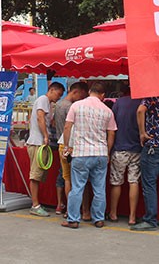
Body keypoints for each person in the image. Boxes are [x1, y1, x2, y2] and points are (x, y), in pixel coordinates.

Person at [61, 82, 117, 229]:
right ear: (103, 95)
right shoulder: (107, 111)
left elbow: (67, 126)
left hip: (81, 153)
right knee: (99, 188)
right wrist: (108, 151)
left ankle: (73, 219)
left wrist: (67, 146)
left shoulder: (76, 106)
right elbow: (111, 133)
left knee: (77, 188)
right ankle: (98, 219)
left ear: (90, 91)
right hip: (100, 153)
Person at [131, 96, 159, 231]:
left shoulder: (151, 97)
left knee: (149, 184)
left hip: (153, 146)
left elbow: (140, 111)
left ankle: (150, 219)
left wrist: (142, 133)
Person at [25, 81, 65, 217]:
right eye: (58, 94)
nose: (58, 98)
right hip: (37, 142)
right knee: (35, 175)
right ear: (52, 90)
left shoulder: (48, 103)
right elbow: (40, 117)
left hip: (40, 142)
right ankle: (35, 205)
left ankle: (37, 203)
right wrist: (46, 136)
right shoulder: (42, 100)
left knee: (39, 175)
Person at [53, 81, 90, 217]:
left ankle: (64, 208)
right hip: (72, 145)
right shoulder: (73, 107)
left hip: (61, 143)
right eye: (82, 95)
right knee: (77, 180)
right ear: (76, 92)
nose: (83, 99)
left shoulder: (58, 105)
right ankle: (77, 210)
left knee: (64, 178)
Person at [108, 86, 142, 225]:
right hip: (137, 149)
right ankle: (132, 217)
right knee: (134, 181)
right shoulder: (142, 103)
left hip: (120, 148)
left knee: (116, 182)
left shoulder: (118, 103)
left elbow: (112, 127)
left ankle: (113, 213)